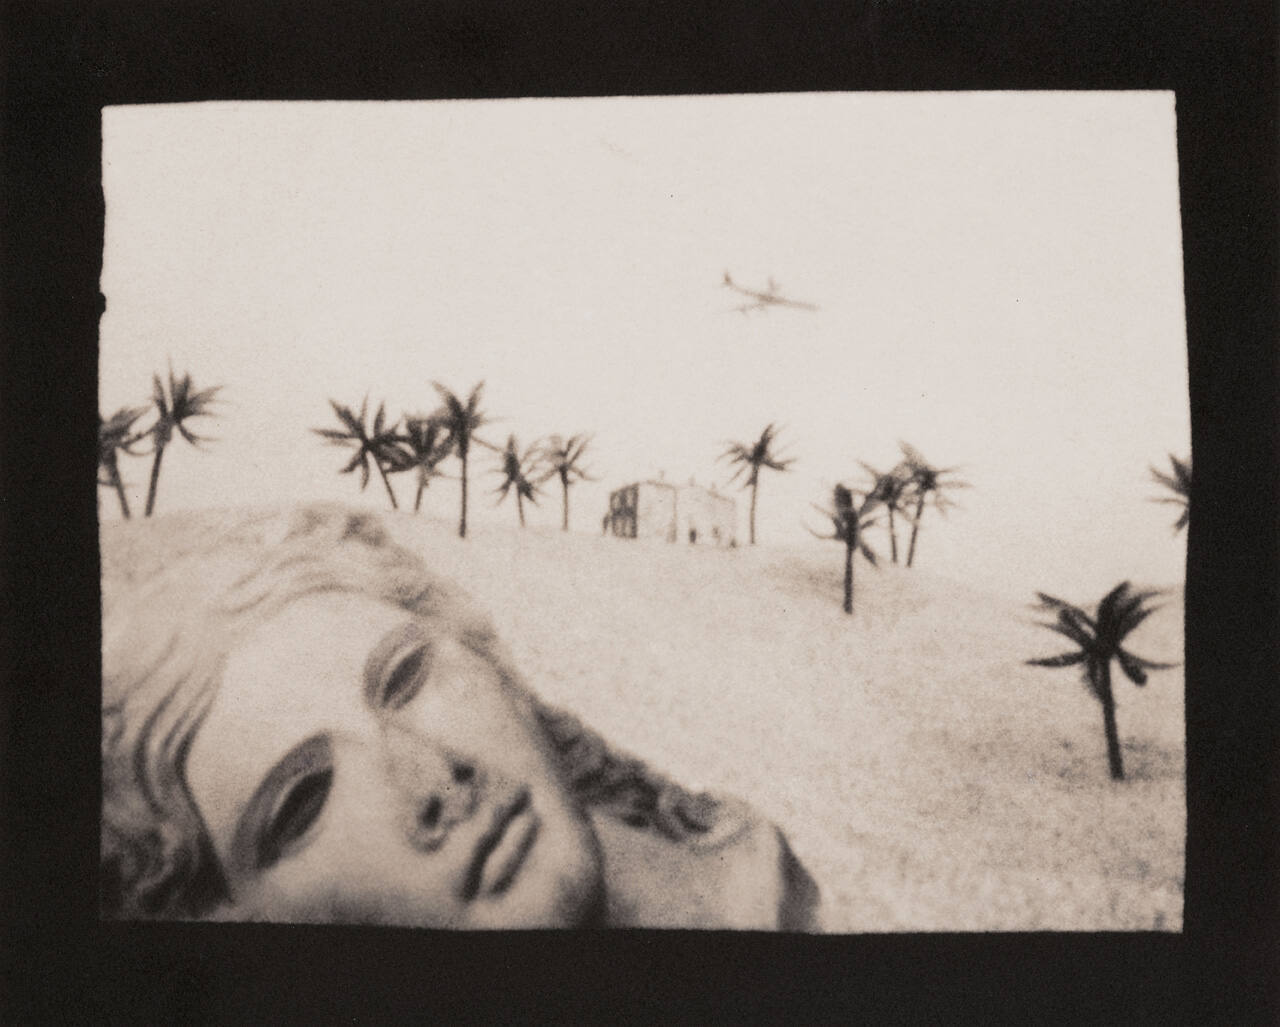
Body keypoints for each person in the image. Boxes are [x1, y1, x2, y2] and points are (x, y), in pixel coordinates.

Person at [100, 503, 819, 929]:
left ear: (498, 673)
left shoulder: (760, 889)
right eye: (305, 800)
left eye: (407, 677)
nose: (437, 783)